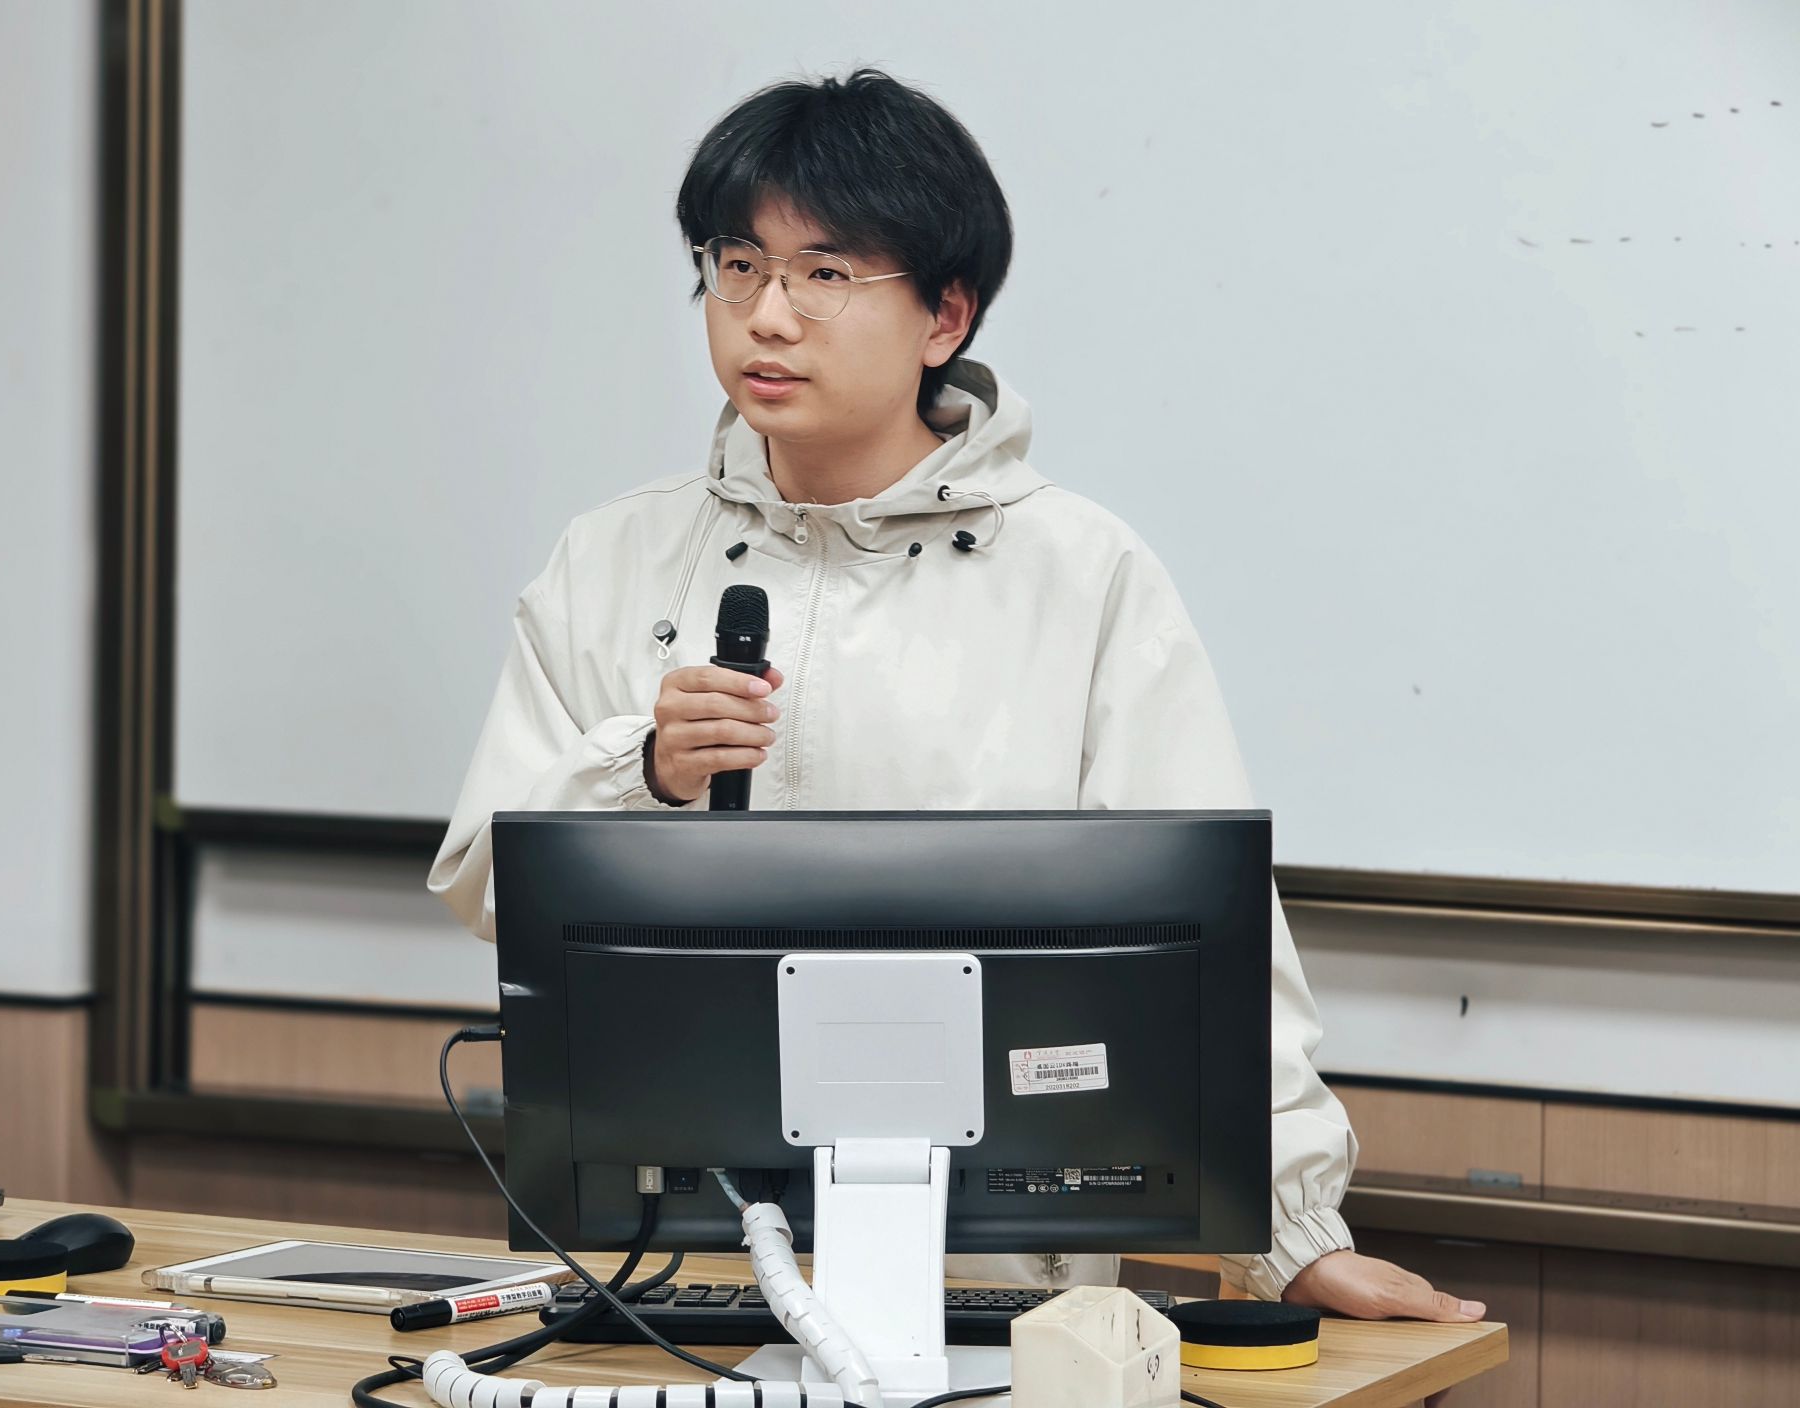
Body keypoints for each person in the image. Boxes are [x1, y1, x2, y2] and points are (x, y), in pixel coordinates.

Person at [428, 68, 1485, 1324]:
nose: (767, 316)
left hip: (993, 1285)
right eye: (736, 266)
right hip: (676, 1276)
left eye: (824, 273)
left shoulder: (1079, 573)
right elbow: (483, 881)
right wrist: (639, 773)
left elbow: (1211, 941)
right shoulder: (608, 560)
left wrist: (1291, 1237)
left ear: (943, 314)